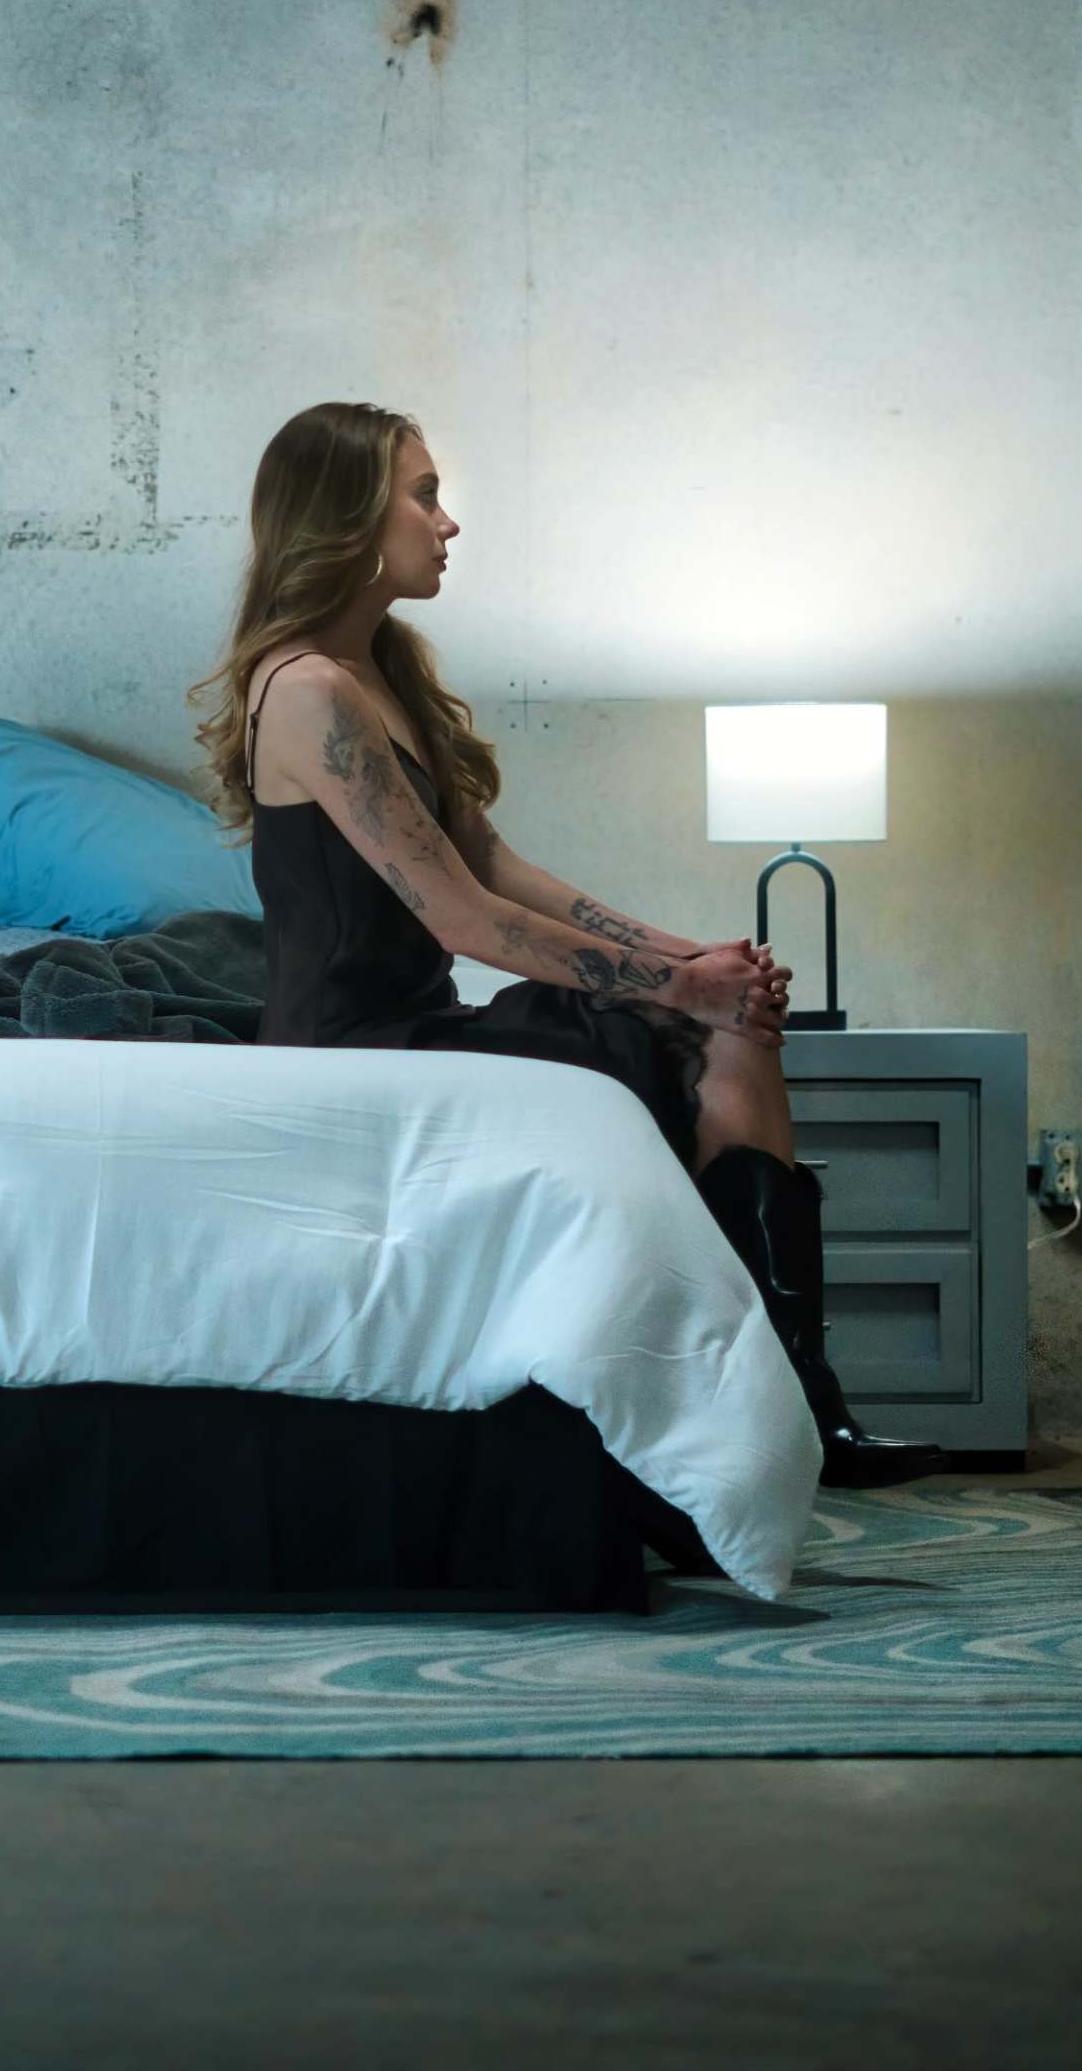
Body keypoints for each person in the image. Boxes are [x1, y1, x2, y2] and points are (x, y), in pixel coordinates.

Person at [195, 401, 940, 1489]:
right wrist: (682, 987)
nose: (446, 524)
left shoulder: (382, 668)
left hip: (421, 1025)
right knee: (693, 1039)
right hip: (356, 1049)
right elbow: (466, 920)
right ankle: (773, 1415)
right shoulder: (308, 693)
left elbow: (498, 867)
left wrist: (700, 958)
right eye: (425, 494)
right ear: (348, 516)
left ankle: (781, 1407)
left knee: (730, 1036)